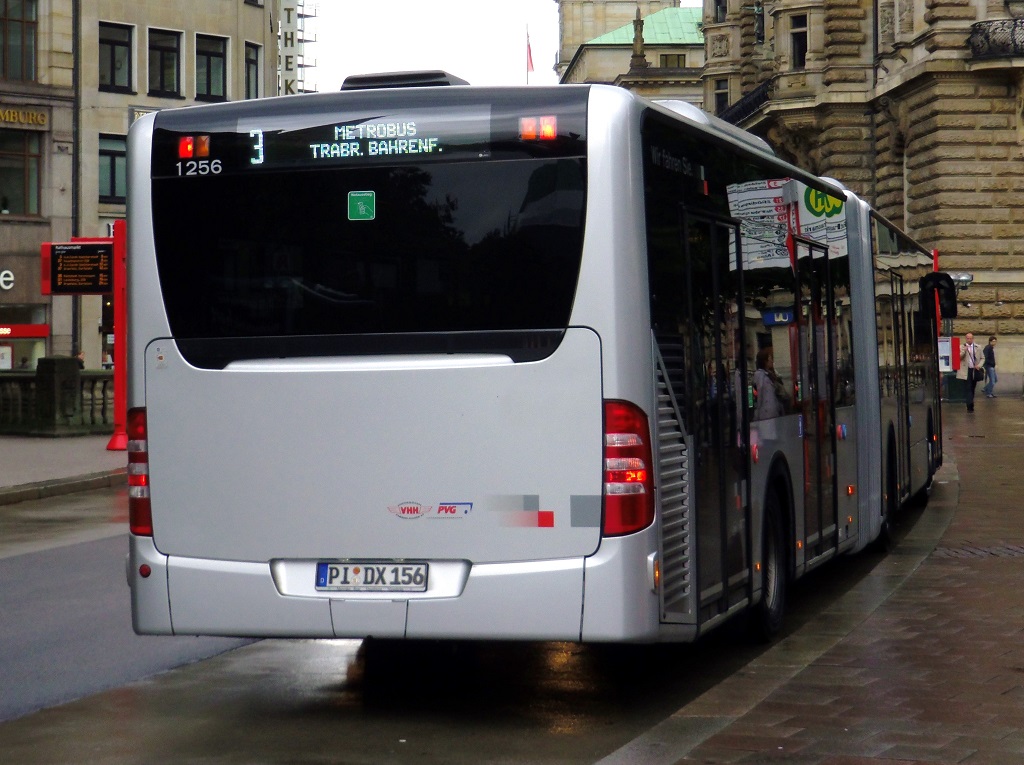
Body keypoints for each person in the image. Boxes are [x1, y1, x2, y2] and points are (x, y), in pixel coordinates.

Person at [753, 347, 786, 420]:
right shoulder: (759, 375)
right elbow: (758, 395)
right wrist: (756, 414)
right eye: (770, 359)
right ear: (765, 361)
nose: (772, 361)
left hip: (774, 412)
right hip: (766, 414)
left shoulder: (771, 374)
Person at [959, 332, 984, 412]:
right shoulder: (961, 347)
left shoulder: (978, 347)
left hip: (974, 370)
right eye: (967, 338)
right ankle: (969, 406)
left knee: (973, 388)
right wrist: (964, 351)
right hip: (965, 370)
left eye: (970, 338)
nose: (969, 340)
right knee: (968, 388)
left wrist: (979, 365)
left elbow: (983, 358)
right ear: (965, 339)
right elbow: (959, 357)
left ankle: (971, 402)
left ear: (973, 339)